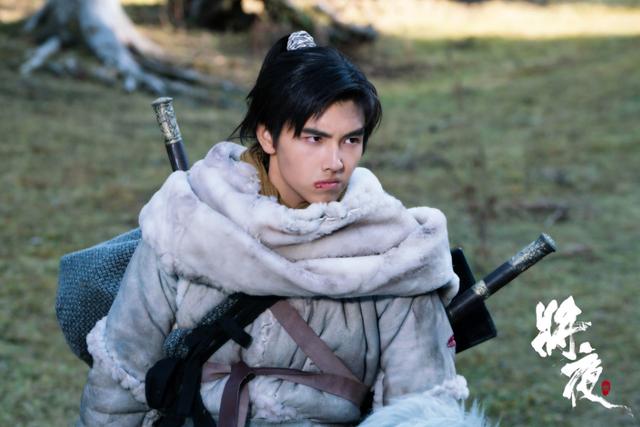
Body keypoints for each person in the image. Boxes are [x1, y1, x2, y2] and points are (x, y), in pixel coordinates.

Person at [78, 31, 489, 427]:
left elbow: (419, 404)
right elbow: (120, 376)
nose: (335, 162)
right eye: (314, 139)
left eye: (351, 140)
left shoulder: (393, 248)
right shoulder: (192, 220)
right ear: (268, 136)